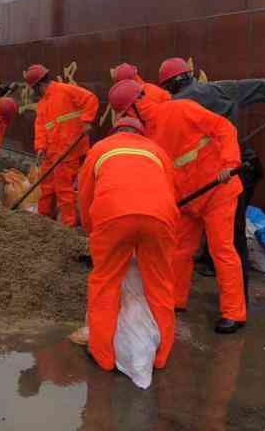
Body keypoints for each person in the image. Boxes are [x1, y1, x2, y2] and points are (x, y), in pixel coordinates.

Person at [109, 79, 246, 333]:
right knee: (179, 251)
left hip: (217, 189)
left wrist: (229, 162)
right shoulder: (144, 133)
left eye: (125, 113)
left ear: (136, 106)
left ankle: (234, 313)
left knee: (221, 250)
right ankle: (175, 300)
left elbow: (224, 127)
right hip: (186, 200)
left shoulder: (181, 109)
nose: (125, 118)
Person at [158, 57, 265, 293]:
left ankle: (236, 301)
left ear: (172, 84)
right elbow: (259, 85)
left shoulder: (176, 107)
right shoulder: (219, 89)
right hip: (245, 166)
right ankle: (214, 267)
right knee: (226, 235)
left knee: (229, 241)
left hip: (223, 175)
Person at [78, 116, 179, 371]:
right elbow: (170, 191)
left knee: (105, 282)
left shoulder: (99, 149)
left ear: (114, 132)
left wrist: (93, 231)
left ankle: (103, 357)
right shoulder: (158, 151)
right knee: (161, 284)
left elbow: (85, 194)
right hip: (160, 218)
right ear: (141, 134)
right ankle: (161, 356)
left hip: (112, 216)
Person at [23, 64, 99, 228]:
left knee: (64, 190)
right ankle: (43, 221)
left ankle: (68, 226)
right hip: (51, 153)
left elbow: (90, 99)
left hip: (68, 150)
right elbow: (41, 127)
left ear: (37, 85)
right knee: (47, 189)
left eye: (33, 88)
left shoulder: (65, 90)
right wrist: (40, 147)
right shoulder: (43, 104)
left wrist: (87, 121)